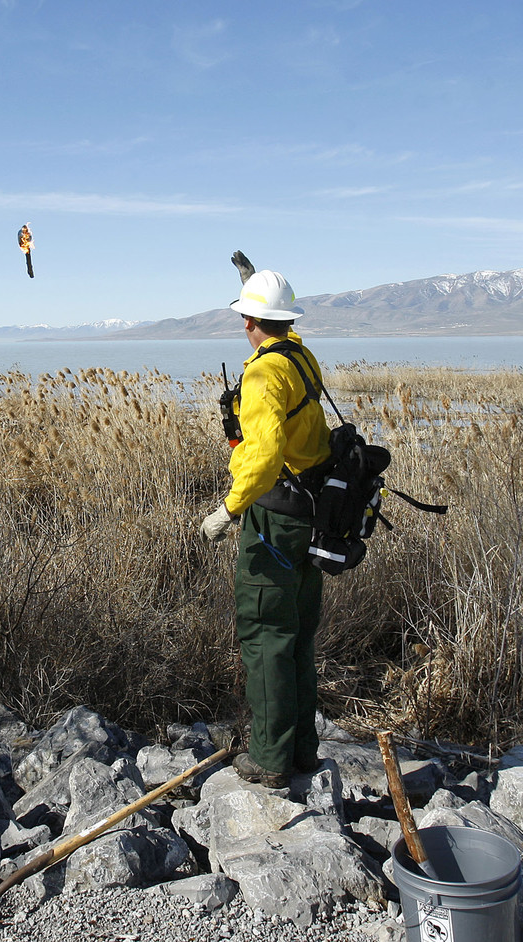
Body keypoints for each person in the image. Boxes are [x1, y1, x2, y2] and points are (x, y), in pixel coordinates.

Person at [199, 268, 332, 788]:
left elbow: (265, 454)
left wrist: (228, 511)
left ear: (249, 320)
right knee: (296, 637)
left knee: (264, 637)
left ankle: (270, 760)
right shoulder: (300, 355)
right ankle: (300, 750)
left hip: (274, 523)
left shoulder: (261, 374)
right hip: (310, 518)